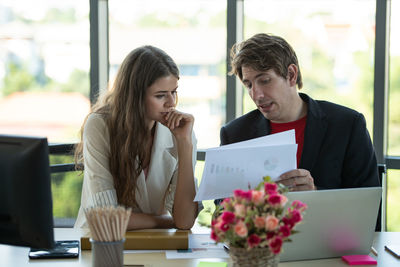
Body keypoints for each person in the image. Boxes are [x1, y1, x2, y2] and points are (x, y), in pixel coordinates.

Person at [219, 33, 380, 192]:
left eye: (265, 80)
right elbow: (221, 210)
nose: (256, 95)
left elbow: (368, 204)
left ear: (291, 75)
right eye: (249, 85)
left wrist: (315, 194)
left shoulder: (347, 125)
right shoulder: (235, 134)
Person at [74, 45, 201, 230]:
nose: (171, 103)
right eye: (160, 95)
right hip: (101, 243)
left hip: (155, 243)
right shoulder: (99, 126)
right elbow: (106, 219)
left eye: (174, 92)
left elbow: (185, 221)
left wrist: (186, 144)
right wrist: (165, 221)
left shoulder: (181, 132)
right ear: (135, 96)